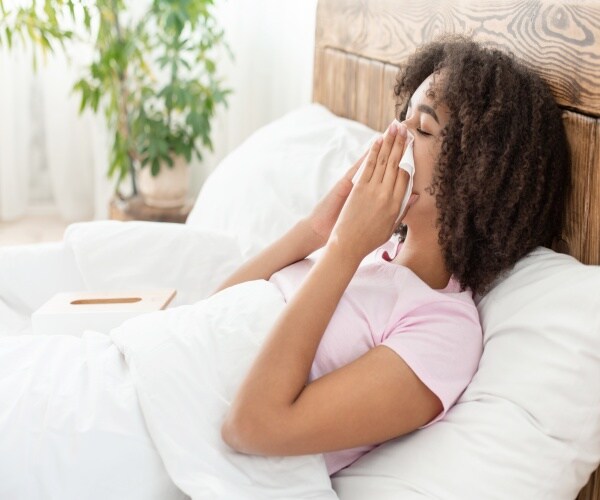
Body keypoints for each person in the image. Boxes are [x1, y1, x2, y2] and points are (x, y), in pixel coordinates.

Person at [216, 36, 570, 475]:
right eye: (400, 120)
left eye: (421, 129)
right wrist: (316, 231)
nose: (393, 138)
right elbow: (212, 314)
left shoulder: (443, 332)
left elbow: (250, 426)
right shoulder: (367, 249)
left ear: (475, 174)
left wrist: (344, 248)